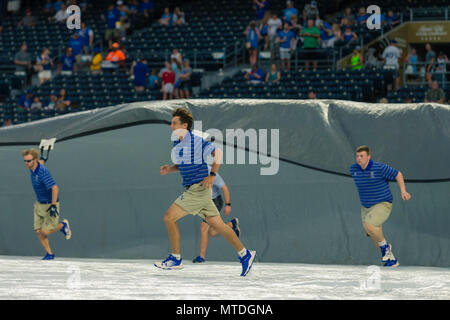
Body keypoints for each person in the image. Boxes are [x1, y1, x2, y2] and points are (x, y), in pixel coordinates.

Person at [156, 108, 256, 276]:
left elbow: (218, 152)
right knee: (220, 227)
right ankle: (245, 254)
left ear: (184, 125)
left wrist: (212, 175)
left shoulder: (195, 141)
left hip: (197, 190)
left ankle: (175, 258)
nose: (171, 125)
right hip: (197, 190)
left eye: (175, 123)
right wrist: (170, 168)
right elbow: (184, 165)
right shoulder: (177, 143)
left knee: (169, 217)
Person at [350, 145, 411, 267]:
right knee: (372, 232)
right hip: (366, 206)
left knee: (370, 225)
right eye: (357, 156)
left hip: (383, 203)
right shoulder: (353, 169)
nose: (359, 158)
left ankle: (387, 247)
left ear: (368, 157)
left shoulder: (379, 168)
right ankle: (392, 260)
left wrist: (403, 191)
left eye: (362, 156)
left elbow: (398, 174)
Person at [22, 149, 72, 260]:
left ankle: (62, 225)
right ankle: (49, 254)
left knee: (45, 231)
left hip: (50, 205)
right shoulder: (33, 167)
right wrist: (43, 160)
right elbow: (40, 163)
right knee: (39, 231)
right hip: (39, 204)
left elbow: (55, 188)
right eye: (25, 161)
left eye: (29, 161)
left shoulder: (43, 172)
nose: (26, 163)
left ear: (34, 160)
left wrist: (53, 206)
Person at [192, 170, 240, 263]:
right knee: (212, 232)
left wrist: (228, 204)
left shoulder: (211, 172)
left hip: (215, 202)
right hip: (205, 203)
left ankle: (201, 257)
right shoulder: (193, 171)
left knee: (204, 227)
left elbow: (224, 188)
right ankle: (231, 224)